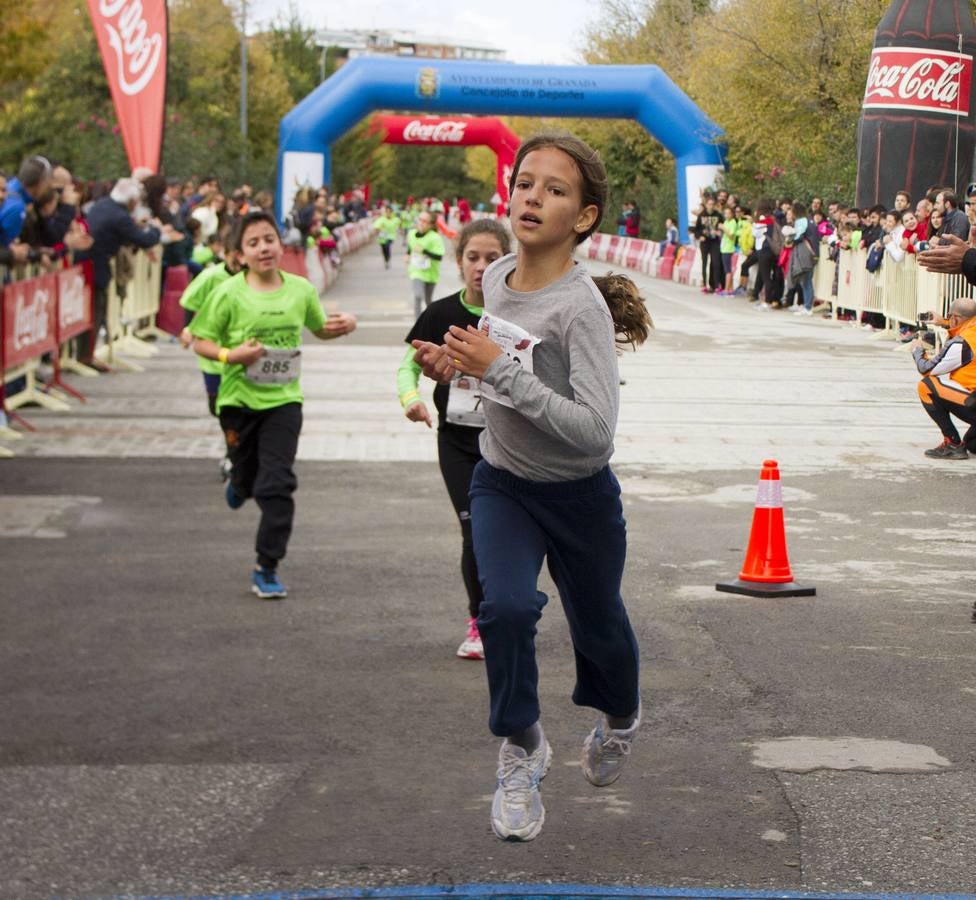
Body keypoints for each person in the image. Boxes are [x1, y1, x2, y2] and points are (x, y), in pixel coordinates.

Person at [412, 131, 651, 842]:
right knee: (505, 609)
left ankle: (621, 719)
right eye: (525, 183)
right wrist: (456, 367)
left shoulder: (583, 310)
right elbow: (504, 383)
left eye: (554, 189)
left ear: (583, 216)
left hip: (579, 495)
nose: (533, 197)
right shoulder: (494, 279)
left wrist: (499, 370)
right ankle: (520, 747)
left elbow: (594, 432)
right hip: (505, 482)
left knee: (600, 624)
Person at [189, 210, 357, 600]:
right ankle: (239, 480)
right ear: (239, 254)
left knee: (277, 483)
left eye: (269, 239)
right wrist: (233, 355)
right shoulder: (228, 293)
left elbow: (318, 328)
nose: (263, 247)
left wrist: (344, 325)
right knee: (248, 479)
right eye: (253, 242)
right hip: (237, 402)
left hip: (283, 401)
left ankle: (267, 565)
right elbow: (200, 340)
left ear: (281, 244)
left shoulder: (300, 290)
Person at [397, 219, 511, 660]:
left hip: (510, 443)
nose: (482, 267)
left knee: (509, 533)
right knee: (474, 529)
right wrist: (411, 400)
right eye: (473, 257)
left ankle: (511, 609)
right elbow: (407, 365)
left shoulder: (515, 314)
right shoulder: (441, 313)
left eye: (492, 258)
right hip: (458, 443)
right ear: (459, 259)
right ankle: (480, 621)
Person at [909, 297, 976, 459]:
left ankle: (953, 443)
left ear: (955, 318)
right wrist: (945, 322)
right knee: (973, 444)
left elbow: (927, 369)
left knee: (926, 385)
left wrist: (917, 351)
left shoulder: (963, 343)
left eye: (950, 317)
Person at [405, 211, 445, 318]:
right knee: (418, 296)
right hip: (416, 271)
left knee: (428, 300)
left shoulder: (435, 238)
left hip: (431, 273)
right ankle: (417, 324)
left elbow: (439, 257)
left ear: (431, 225)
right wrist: (407, 254)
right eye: (420, 220)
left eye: (425, 221)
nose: (421, 223)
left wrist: (425, 251)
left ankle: (430, 321)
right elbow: (410, 246)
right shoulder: (411, 234)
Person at [372, 205, 399, 269]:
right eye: (387, 212)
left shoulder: (395, 219)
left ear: (391, 212)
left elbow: (399, 224)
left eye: (390, 212)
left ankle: (388, 260)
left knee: (387, 247)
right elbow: (376, 227)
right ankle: (386, 260)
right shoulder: (381, 219)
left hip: (390, 237)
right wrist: (378, 230)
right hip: (382, 238)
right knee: (384, 249)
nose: (388, 213)